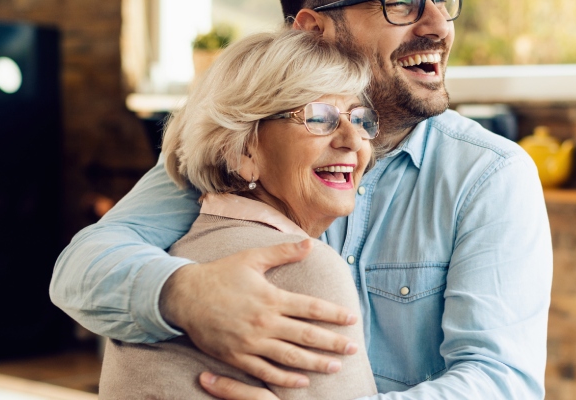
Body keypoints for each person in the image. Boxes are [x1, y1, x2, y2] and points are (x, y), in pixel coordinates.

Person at [50, 0, 553, 398]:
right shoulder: (242, 149)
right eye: (400, 3)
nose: (439, 25)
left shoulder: (488, 175)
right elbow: (80, 270)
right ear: (313, 29)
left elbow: (500, 382)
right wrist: (186, 295)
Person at [99, 29, 378, 399]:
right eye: (319, 117)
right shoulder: (306, 269)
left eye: (359, 118)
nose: (353, 140)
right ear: (242, 151)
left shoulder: (162, 253)